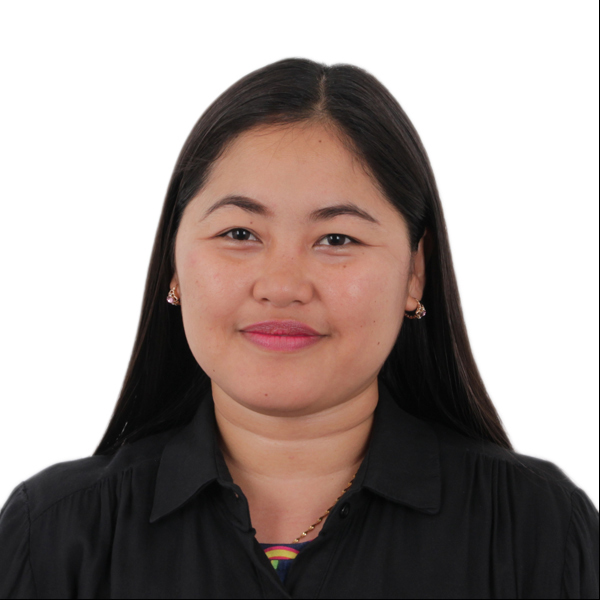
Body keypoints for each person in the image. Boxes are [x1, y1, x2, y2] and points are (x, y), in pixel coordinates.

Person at [0, 57, 597, 600]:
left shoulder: (541, 532)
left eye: (337, 238)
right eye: (239, 234)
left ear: (414, 273)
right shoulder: (50, 535)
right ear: (174, 266)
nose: (282, 285)